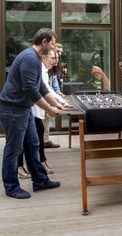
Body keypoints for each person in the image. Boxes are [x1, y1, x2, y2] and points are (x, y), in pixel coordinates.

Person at [0, 28, 63, 199]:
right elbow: (30, 90)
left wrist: (57, 102)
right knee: (14, 149)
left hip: (23, 109)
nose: (52, 48)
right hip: (13, 110)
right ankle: (12, 187)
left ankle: (40, 181)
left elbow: (41, 86)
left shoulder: (34, 58)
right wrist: (50, 109)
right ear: (44, 42)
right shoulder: (29, 58)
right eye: (52, 44)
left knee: (33, 143)